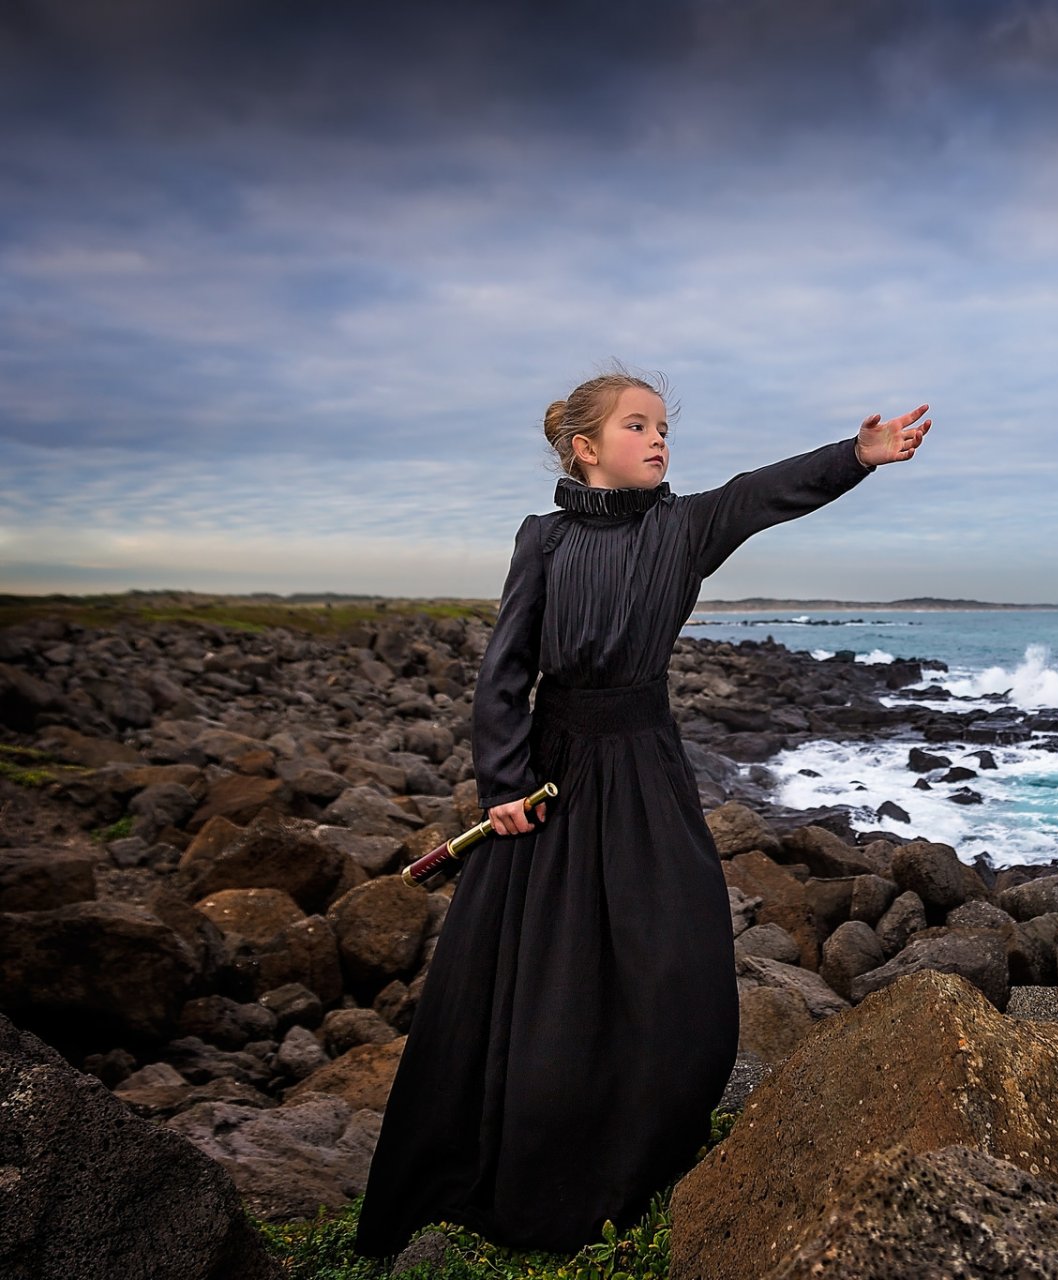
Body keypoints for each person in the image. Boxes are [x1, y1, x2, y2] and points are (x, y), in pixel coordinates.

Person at [352, 368, 932, 1257]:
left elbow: (761, 494)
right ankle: (526, 1161)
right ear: (587, 447)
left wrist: (857, 455)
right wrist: (502, 782)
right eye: (638, 425)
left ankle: (641, 1158)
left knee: (677, 951)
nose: (659, 439)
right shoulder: (541, 540)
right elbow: (506, 666)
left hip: (646, 763)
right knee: (538, 969)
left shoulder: (684, 526)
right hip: (552, 769)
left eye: (664, 427)